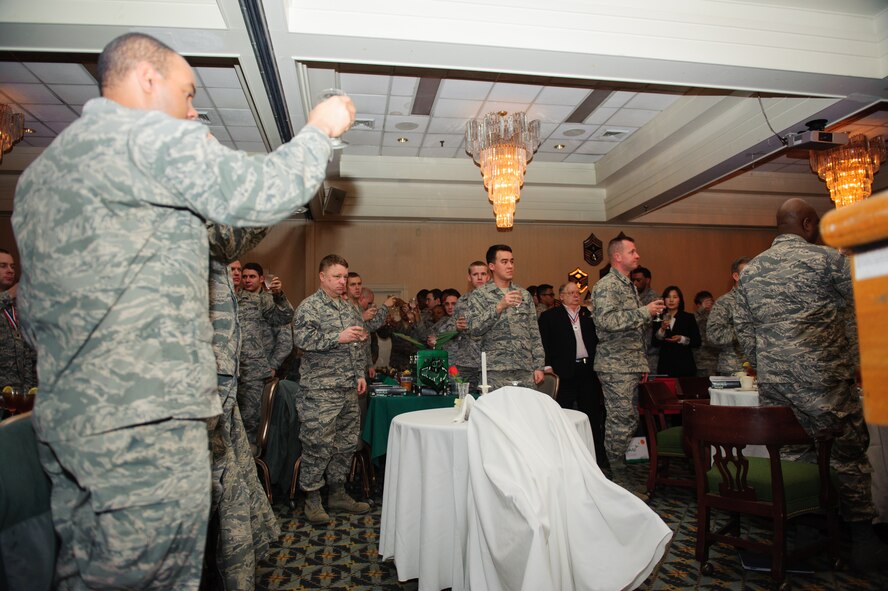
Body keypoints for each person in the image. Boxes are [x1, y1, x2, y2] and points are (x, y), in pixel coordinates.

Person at [11, 32, 353, 589]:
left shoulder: (43, 174)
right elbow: (261, 189)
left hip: (70, 419)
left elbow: (33, 316)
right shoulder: (148, 138)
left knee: (86, 572)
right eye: (188, 91)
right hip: (147, 420)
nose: (193, 109)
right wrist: (320, 129)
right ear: (148, 80)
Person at [734, 198, 881, 568]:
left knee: (791, 454)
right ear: (808, 223)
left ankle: (806, 530)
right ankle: (862, 538)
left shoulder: (751, 271)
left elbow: (744, 327)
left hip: (775, 383)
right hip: (825, 380)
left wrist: (767, 362)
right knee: (845, 453)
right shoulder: (828, 260)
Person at [205, 225, 279, 590]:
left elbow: (284, 325)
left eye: (243, 272)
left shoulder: (256, 299)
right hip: (203, 401)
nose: (239, 276)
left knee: (231, 498)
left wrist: (274, 363)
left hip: (228, 395)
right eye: (236, 271)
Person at [292, 254, 371, 524]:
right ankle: (312, 499)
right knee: (317, 444)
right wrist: (337, 337)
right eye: (337, 277)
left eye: (345, 277)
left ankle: (337, 493)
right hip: (320, 391)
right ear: (323, 277)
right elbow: (301, 339)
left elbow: (357, 343)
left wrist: (359, 374)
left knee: (346, 444)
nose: (342, 282)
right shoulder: (310, 307)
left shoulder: (349, 307)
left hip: (347, 387)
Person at [592, 235, 665, 471]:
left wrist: (641, 364)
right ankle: (615, 474)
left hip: (630, 364)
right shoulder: (606, 286)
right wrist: (645, 312)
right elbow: (606, 321)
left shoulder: (628, 285)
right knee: (620, 420)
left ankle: (619, 470)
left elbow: (635, 333)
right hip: (615, 366)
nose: (637, 255)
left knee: (630, 419)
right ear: (617, 256)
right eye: (632, 251)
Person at [538, 282, 606, 466]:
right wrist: (547, 366)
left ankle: (596, 458)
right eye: (571, 293)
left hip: (587, 370)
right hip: (563, 371)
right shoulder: (549, 317)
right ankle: (564, 457)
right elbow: (544, 344)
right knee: (563, 414)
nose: (576, 296)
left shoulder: (588, 316)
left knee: (592, 414)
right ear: (562, 296)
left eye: (578, 293)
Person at [464, 245, 546, 390]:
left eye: (512, 261)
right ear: (492, 266)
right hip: (495, 370)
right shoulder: (479, 295)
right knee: (497, 412)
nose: (510, 266)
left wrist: (539, 366)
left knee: (524, 412)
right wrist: (499, 307)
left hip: (524, 369)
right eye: (504, 262)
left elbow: (534, 333)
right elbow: (473, 328)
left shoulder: (524, 294)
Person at [236, 262, 294, 444]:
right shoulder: (234, 299)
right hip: (232, 370)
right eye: (242, 275)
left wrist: (272, 366)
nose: (245, 279)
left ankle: (252, 466)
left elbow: (285, 327)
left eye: (250, 276)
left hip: (256, 371)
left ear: (261, 279)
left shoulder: (265, 300)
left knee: (252, 420)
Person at [0, 249, 38, 394]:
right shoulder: (9, 297)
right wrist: (9, 294)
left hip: (23, 394)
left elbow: (30, 351)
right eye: (3, 266)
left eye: (12, 266)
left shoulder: (21, 306)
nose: (10, 270)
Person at [707, 257, 750, 376]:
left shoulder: (759, 301)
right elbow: (713, 335)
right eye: (747, 273)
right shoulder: (724, 302)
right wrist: (743, 330)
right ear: (736, 276)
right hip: (734, 368)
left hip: (760, 367)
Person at [651, 286, 701, 377]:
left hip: (685, 366)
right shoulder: (658, 317)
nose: (671, 300)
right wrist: (662, 329)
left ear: (680, 300)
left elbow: (697, 342)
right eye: (668, 297)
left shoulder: (688, 318)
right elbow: (655, 343)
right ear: (664, 300)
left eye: (675, 297)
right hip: (665, 366)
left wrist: (681, 339)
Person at [692, 290, 719, 377]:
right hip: (701, 359)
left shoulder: (716, 317)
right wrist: (702, 310)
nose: (709, 305)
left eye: (711, 302)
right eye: (705, 302)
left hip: (716, 358)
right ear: (698, 305)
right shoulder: (694, 317)